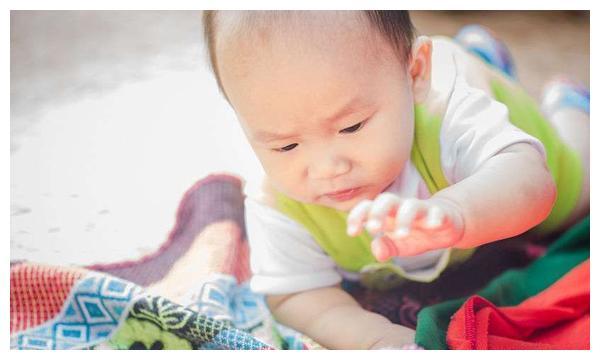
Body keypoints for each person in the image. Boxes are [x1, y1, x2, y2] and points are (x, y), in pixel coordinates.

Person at [201, 10, 590, 349]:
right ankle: (480, 50)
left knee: (581, 196)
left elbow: (531, 182)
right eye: (286, 146)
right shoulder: (277, 205)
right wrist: (374, 339)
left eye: (351, 126)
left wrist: (456, 210)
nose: (327, 167)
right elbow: (296, 296)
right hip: (419, 75)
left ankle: (566, 104)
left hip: (487, 101)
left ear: (416, 72)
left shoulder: (450, 117)